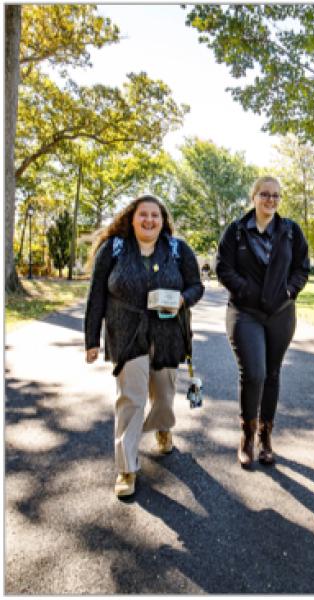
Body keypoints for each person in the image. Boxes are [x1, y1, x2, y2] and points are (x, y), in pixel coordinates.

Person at [84, 194, 204, 497]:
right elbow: (96, 294)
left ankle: (163, 426)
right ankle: (126, 468)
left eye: (156, 215)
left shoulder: (178, 250)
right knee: (131, 399)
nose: (149, 220)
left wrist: (182, 299)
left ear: (163, 221)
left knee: (163, 395)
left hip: (168, 334)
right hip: (126, 334)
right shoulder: (115, 249)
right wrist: (91, 339)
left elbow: (196, 286)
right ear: (132, 218)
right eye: (143, 215)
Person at [216, 176, 310, 468]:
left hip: (280, 313)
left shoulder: (291, 231)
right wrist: (246, 290)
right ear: (253, 197)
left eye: (275, 196)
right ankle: (246, 434)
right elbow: (223, 268)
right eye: (264, 195)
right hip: (245, 313)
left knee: (272, 373)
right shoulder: (236, 231)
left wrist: (289, 291)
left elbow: (302, 268)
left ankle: (265, 435)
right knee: (254, 372)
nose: (270, 200)